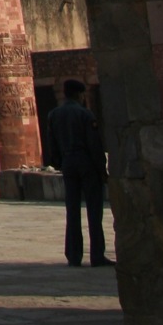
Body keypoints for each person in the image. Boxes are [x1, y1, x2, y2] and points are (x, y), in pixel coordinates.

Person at [45, 79, 113, 269]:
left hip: (68, 163)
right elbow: (94, 144)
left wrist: (59, 162)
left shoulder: (54, 114)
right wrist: (102, 169)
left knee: (72, 210)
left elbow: (52, 143)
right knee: (94, 210)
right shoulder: (84, 114)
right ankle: (97, 255)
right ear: (79, 95)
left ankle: (74, 255)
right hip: (86, 162)